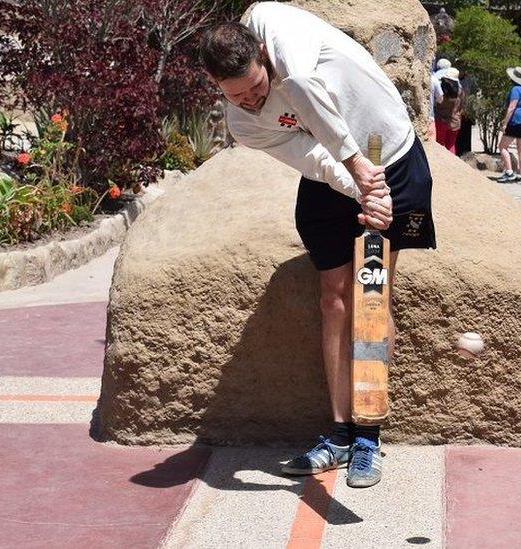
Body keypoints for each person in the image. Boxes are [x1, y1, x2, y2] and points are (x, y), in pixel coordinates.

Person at [198, 2, 437, 489]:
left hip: (391, 155)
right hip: (340, 177)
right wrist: (360, 186)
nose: (248, 101)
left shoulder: (278, 27)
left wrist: (371, 177)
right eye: (234, 95)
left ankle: (369, 434)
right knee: (333, 300)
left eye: (255, 88)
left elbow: (304, 89)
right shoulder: (244, 123)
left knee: (373, 295)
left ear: (263, 54)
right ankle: (341, 434)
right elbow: (313, 157)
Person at [494, 67, 521, 183]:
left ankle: (509, 172)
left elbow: (512, 107)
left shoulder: (516, 89)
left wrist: (505, 124)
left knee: (502, 147)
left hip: (516, 121)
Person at [433, 67, 465, 153]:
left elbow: (437, 102)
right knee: (451, 145)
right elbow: (461, 108)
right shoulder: (460, 91)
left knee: (439, 144)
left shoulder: (441, 89)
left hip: (441, 120)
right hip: (455, 121)